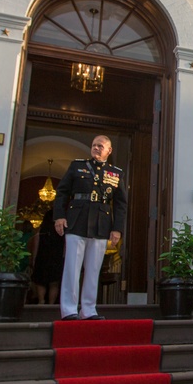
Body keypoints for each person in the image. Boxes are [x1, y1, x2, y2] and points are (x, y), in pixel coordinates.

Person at [53, 135, 127, 320]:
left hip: (101, 223)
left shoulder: (116, 173)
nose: (96, 148)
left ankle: (88, 309)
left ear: (109, 150)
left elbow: (120, 203)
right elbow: (62, 192)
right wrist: (59, 216)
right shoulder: (77, 166)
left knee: (94, 269)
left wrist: (117, 228)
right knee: (72, 267)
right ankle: (69, 309)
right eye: (94, 145)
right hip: (76, 220)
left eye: (100, 146)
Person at [30, 209, 65, 304]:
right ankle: (51, 303)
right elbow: (65, 247)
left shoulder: (41, 230)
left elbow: (35, 245)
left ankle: (41, 301)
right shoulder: (62, 231)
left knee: (41, 282)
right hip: (56, 258)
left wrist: (34, 259)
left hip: (42, 257)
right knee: (54, 283)